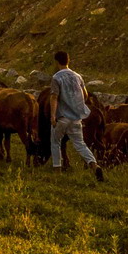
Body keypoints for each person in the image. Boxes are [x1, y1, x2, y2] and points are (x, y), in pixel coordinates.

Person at [48, 50, 104, 180]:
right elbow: (85, 95)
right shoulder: (78, 76)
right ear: (69, 60)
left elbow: (54, 97)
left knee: (55, 142)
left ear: (56, 62)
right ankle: (95, 165)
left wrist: (52, 116)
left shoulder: (56, 77)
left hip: (62, 117)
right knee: (80, 144)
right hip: (76, 118)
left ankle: (57, 172)